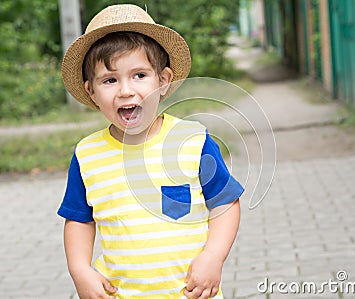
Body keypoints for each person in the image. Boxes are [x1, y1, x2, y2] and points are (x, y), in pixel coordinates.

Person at [57, 4, 244, 299]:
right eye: (109, 80)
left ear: (164, 80)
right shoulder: (87, 155)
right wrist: (80, 270)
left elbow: (225, 204)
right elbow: (79, 219)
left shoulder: (192, 141)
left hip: (189, 293)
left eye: (139, 75)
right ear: (91, 91)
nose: (125, 90)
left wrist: (213, 257)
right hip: (120, 293)